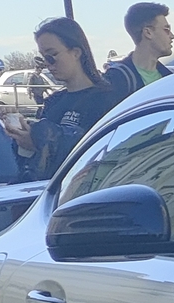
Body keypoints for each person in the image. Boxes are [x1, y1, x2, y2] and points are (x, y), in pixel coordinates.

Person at [8, 17, 117, 181]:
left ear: (76, 53)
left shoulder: (107, 99)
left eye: (52, 55)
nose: (48, 64)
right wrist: (22, 137)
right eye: (44, 58)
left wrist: (40, 142)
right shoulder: (53, 101)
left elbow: (99, 154)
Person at [105, 2, 174, 98]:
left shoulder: (170, 78)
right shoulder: (116, 80)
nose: (172, 36)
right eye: (166, 29)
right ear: (148, 32)